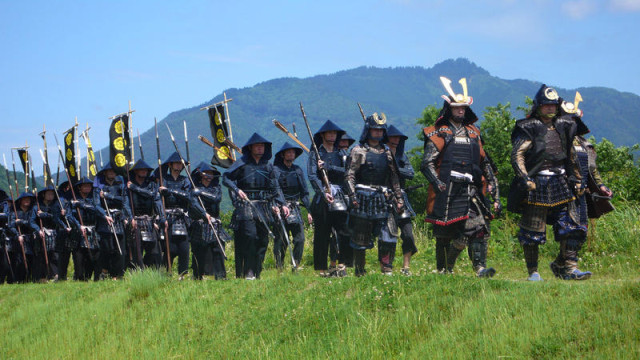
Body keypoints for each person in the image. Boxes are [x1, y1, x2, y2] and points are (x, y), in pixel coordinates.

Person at [420, 77, 497, 278]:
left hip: (470, 188)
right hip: (446, 189)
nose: (461, 111)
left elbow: (484, 161)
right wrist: (437, 183)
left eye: (463, 107)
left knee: (478, 226)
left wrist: (492, 183)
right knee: (445, 233)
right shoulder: (439, 132)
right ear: (449, 108)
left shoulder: (474, 133)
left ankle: (480, 268)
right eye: (457, 108)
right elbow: (426, 162)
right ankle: (444, 269)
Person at [508, 84, 585, 281]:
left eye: (553, 105)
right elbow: (517, 154)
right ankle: (533, 272)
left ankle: (569, 268)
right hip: (537, 182)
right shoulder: (528, 127)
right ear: (538, 106)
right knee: (533, 231)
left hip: (561, 181)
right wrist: (524, 178)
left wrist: (577, 178)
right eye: (546, 105)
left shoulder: (565, 125)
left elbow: (571, 154)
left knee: (571, 226)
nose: (550, 108)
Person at [345, 112, 404, 276]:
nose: (378, 133)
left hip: (383, 197)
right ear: (368, 130)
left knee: (389, 234)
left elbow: (394, 177)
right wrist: (352, 195)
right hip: (362, 197)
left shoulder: (387, 152)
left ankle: (386, 268)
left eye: (380, 130)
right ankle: (359, 270)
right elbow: (349, 174)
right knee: (360, 237)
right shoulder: (358, 151)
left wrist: (399, 198)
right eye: (375, 129)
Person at [223, 133, 288, 280]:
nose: (260, 148)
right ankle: (249, 271)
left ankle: (257, 272)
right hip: (246, 206)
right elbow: (226, 178)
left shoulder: (268, 166)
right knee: (250, 237)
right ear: (251, 147)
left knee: (263, 240)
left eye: (262, 146)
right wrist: (237, 190)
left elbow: (275, 187)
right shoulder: (241, 163)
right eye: (257, 146)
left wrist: (281, 204)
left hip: (264, 207)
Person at [307, 120, 351, 277]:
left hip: (339, 195)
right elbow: (312, 175)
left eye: (335, 133)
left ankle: (341, 264)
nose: (332, 135)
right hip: (322, 197)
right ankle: (322, 268)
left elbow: (347, 172)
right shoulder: (315, 154)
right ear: (323, 135)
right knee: (322, 234)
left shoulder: (342, 154)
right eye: (329, 133)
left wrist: (329, 167)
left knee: (343, 232)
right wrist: (322, 192)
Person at [272, 142, 311, 270]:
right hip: (279, 208)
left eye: (293, 152)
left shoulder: (297, 170)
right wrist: (280, 204)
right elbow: (275, 189)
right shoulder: (276, 170)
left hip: (295, 208)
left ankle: (296, 265)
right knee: (281, 240)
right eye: (288, 152)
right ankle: (279, 267)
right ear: (283, 154)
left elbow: (304, 192)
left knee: (300, 239)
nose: (291, 154)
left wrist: (310, 210)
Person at [189, 162, 230, 280]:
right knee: (198, 250)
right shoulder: (193, 189)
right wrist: (203, 214)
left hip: (215, 221)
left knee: (218, 248)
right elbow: (194, 204)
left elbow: (217, 198)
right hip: (200, 222)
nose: (208, 176)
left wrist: (200, 192)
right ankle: (197, 275)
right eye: (206, 173)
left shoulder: (216, 188)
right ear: (201, 175)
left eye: (211, 174)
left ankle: (221, 275)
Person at [386, 125, 418, 275]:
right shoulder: (380, 155)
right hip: (384, 198)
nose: (395, 140)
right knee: (388, 235)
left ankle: (406, 267)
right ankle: (387, 266)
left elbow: (411, 173)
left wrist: (396, 169)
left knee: (408, 234)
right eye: (392, 137)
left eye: (398, 138)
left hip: (401, 198)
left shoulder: (402, 157)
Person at [68, 177, 112, 281]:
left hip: (93, 230)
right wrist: (79, 226)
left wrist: (83, 205)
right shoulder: (73, 200)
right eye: (85, 186)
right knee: (79, 257)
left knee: (95, 256)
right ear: (80, 188)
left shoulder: (94, 199)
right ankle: (80, 278)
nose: (87, 188)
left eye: (89, 186)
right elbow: (69, 216)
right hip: (79, 231)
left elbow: (96, 209)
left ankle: (96, 277)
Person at [126, 159, 167, 269]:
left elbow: (156, 199)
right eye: (141, 170)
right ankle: (138, 273)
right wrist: (131, 218)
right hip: (136, 220)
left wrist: (162, 218)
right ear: (136, 171)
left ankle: (152, 270)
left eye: (145, 170)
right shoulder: (129, 187)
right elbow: (126, 204)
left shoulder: (152, 185)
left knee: (155, 252)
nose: (144, 171)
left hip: (150, 221)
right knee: (137, 251)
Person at [158, 152, 192, 279]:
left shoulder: (185, 180)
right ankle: (166, 272)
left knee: (184, 247)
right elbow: (159, 200)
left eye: (180, 163)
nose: (178, 165)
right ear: (171, 165)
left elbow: (188, 196)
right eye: (176, 163)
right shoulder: (164, 180)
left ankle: (183, 274)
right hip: (168, 215)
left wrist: (171, 191)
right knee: (169, 247)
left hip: (182, 216)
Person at [94, 162, 128, 279]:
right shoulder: (99, 188)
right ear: (105, 173)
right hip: (105, 219)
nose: (112, 173)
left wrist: (108, 196)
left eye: (114, 171)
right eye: (110, 171)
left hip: (118, 218)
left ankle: (117, 274)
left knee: (120, 249)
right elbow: (96, 205)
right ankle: (104, 270)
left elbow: (123, 201)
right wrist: (104, 215)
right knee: (108, 248)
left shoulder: (120, 185)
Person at [34, 186, 65, 281]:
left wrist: (61, 214)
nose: (51, 196)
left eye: (52, 194)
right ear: (43, 195)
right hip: (42, 232)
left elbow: (57, 218)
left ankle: (55, 274)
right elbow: (31, 221)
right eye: (49, 194)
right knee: (42, 254)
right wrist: (38, 229)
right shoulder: (37, 206)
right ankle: (43, 276)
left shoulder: (57, 205)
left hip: (54, 232)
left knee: (55, 254)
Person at [8, 192, 38, 282]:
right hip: (18, 237)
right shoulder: (15, 212)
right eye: (25, 199)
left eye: (28, 199)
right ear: (20, 201)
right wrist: (17, 235)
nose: (27, 201)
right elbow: (10, 225)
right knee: (19, 259)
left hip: (30, 238)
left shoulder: (32, 211)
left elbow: (32, 223)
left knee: (31, 259)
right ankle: (18, 279)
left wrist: (22, 222)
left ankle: (29, 278)